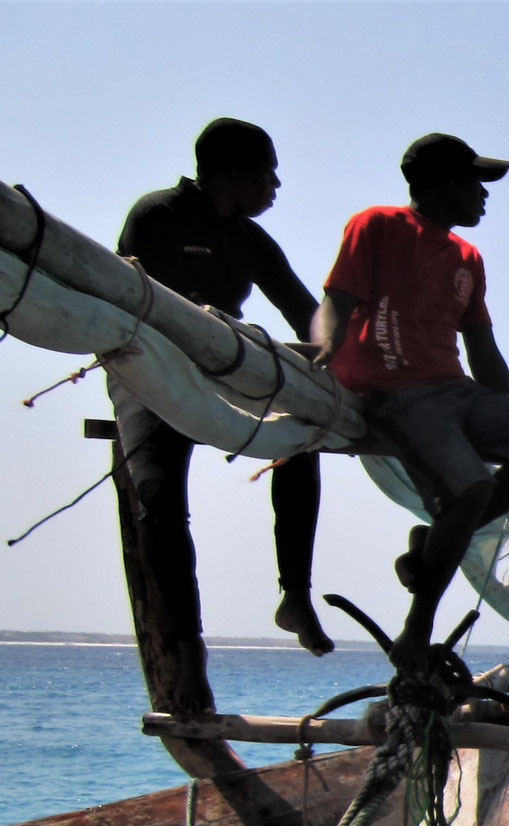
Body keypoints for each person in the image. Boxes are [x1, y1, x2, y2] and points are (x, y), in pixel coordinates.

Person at [309, 133, 509, 673]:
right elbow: (336, 302)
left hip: (455, 391)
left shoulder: (467, 256)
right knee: (472, 489)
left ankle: (434, 539)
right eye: (473, 182)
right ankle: (419, 626)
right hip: (393, 391)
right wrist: (324, 350)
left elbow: (483, 348)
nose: (484, 195)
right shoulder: (378, 225)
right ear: (436, 184)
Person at [112, 117, 332, 714]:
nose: (277, 185)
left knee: (300, 437)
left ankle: (296, 595)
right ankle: (189, 654)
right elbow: (121, 296)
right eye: (269, 172)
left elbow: (305, 309)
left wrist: (335, 355)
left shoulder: (248, 237)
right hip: (150, 369)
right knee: (157, 499)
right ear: (233, 173)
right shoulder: (157, 215)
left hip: (224, 372)